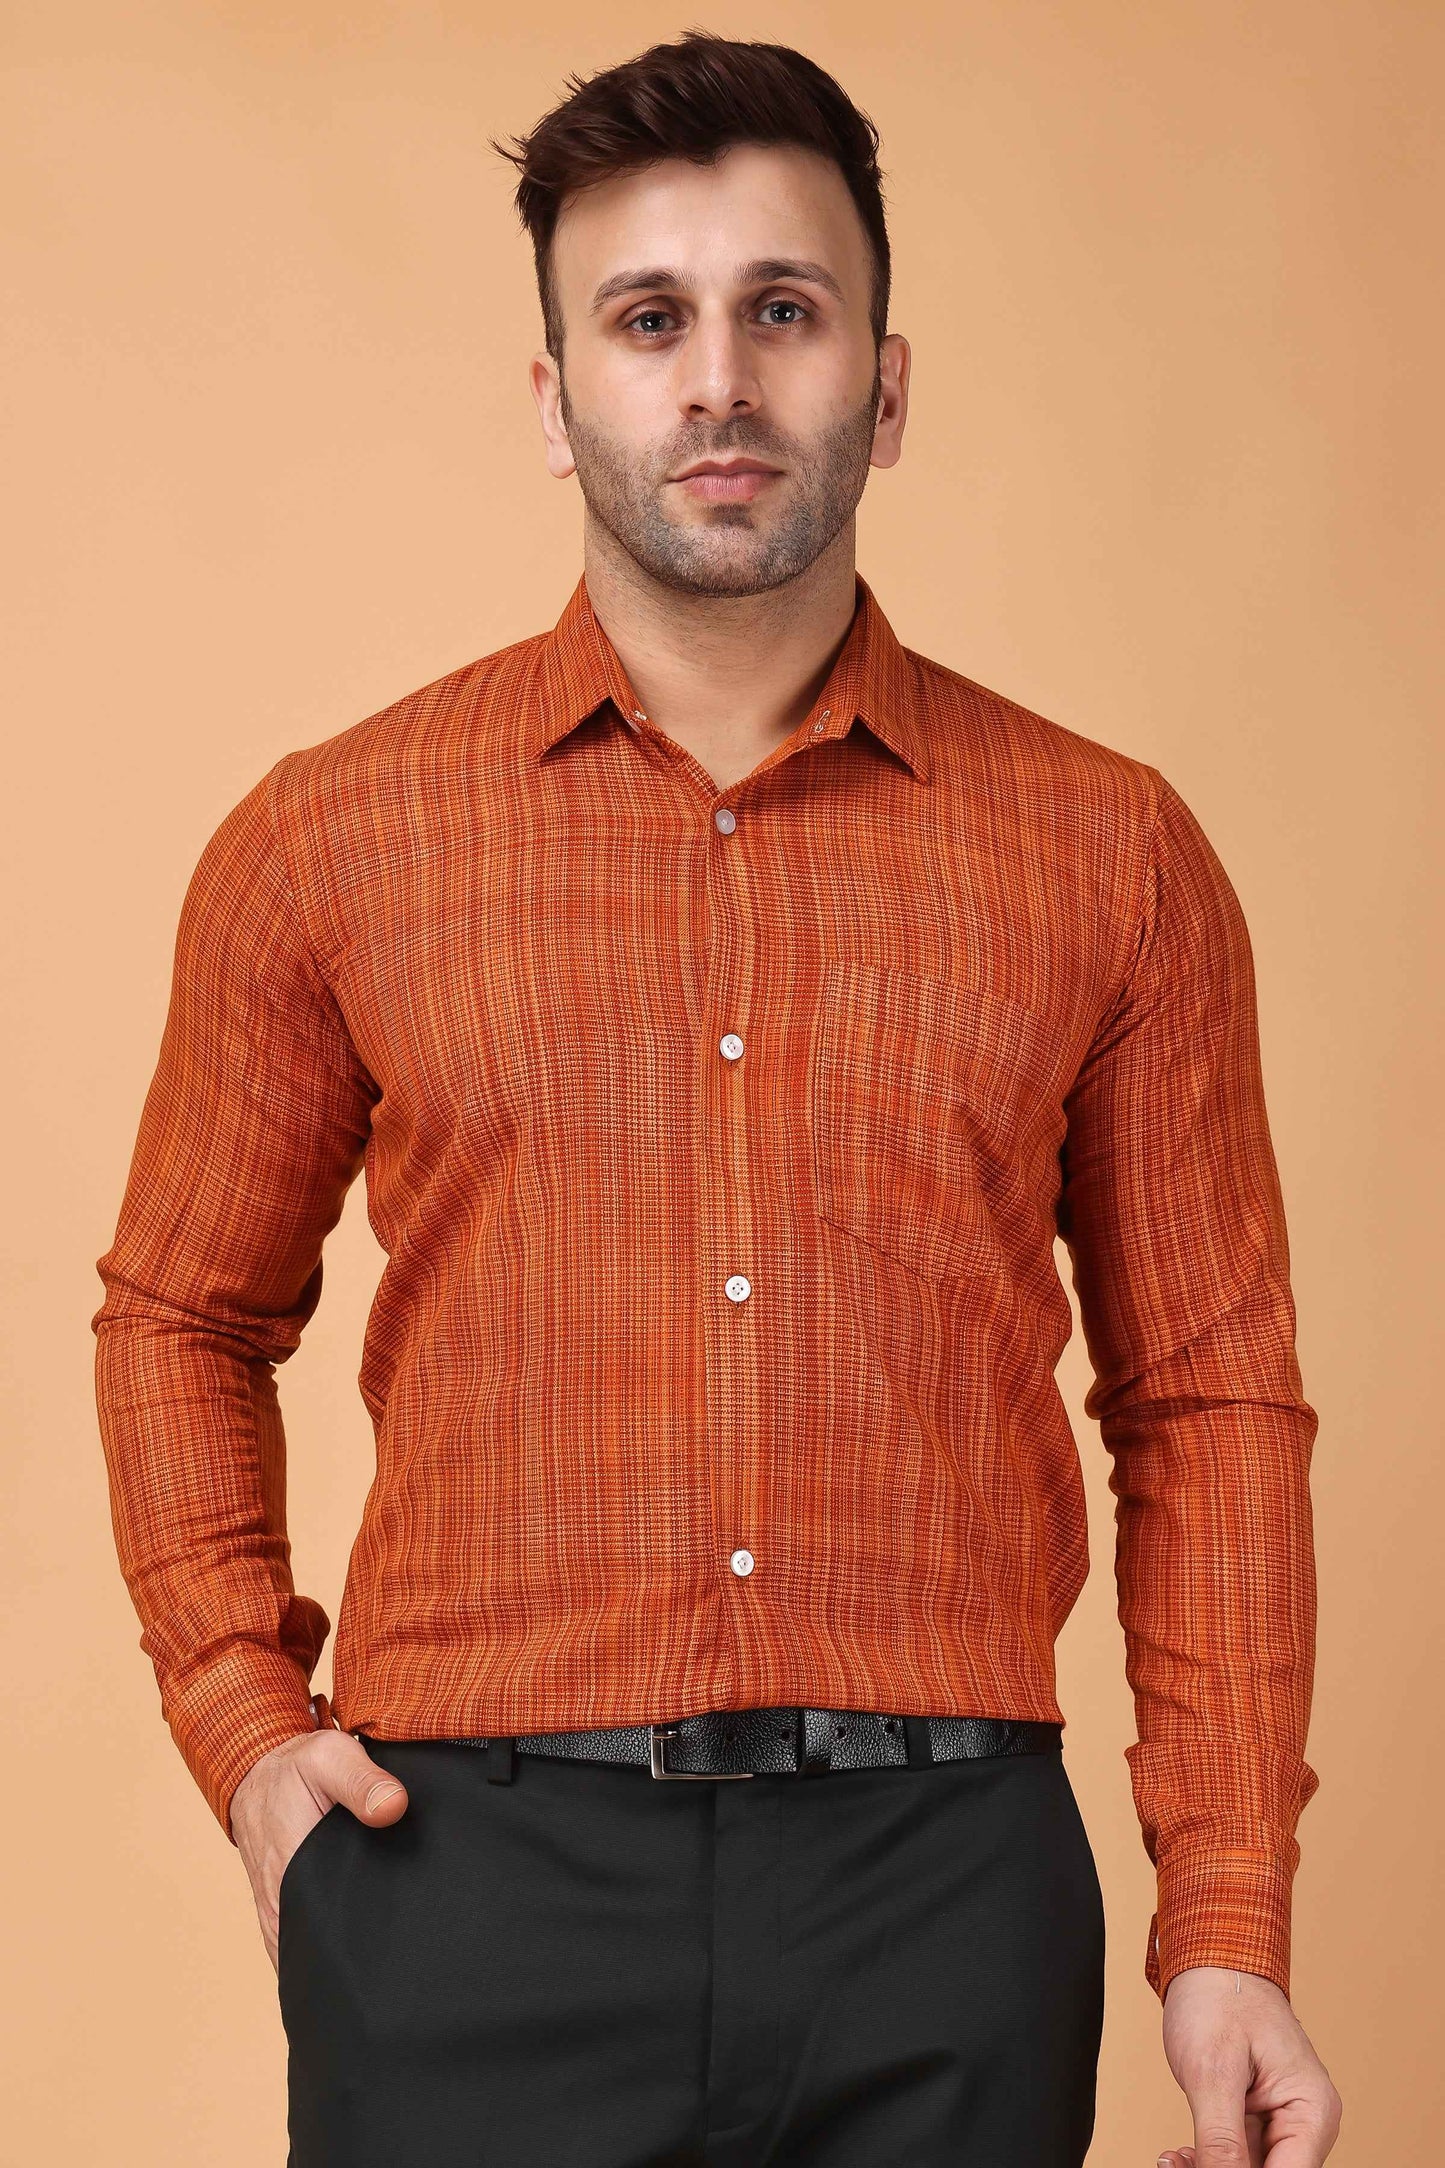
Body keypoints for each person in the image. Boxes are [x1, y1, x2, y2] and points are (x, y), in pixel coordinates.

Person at [91, 29, 1342, 2168]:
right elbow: (178, 1315)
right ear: (554, 396)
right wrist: (242, 1720)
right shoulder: (333, 840)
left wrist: (1222, 1920)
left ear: (887, 379)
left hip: (945, 1895)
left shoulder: (1110, 853)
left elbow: (1208, 1396)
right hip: (466, 1889)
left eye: (784, 308)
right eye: (648, 319)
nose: (720, 381)